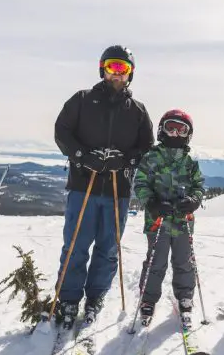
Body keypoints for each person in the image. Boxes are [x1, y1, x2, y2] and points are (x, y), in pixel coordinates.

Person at [52, 45, 154, 327]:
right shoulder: (82, 100)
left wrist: (126, 159)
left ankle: (95, 297)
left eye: (123, 69)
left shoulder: (136, 110)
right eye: (112, 67)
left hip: (117, 189)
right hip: (82, 187)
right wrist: (83, 157)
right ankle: (69, 300)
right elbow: (62, 132)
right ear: (102, 68)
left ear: (130, 74)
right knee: (76, 245)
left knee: (108, 247)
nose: (117, 74)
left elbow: (146, 147)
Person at [133, 109, 205, 328]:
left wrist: (194, 200)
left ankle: (185, 295)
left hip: (183, 220)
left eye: (181, 129)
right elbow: (141, 183)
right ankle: (148, 298)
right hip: (158, 220)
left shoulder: (190, 159)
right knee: (156, 261)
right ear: (162, 130)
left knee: (184, 260)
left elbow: (198, 185)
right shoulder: (152, 157)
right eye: (170, 127)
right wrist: (153, 203)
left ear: (188, 133)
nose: (175, 133)